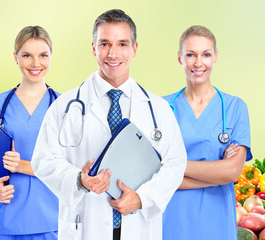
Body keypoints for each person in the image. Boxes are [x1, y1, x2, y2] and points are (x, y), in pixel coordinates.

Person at [31, 9, 186, 240]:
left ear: (134, 49)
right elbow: (42, 161)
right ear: (93, 48)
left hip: (139, 228)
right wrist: (79, 180)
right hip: (85, 227)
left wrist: (142, 198)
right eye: (104, 43)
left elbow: (175, 164)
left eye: (122, 44)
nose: (113, 53)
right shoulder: (64, 107)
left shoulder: (158, 109)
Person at [0, 26, 59, 240]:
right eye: (27, 55)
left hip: (50, 221)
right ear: (15, 57)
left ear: (51, 57)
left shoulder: (63, 107)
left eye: (43, 55)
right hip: (3, 221)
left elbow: (72, 167)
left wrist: (22, 166)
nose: (36, 63)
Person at [161, 25, 252, 239]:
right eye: (190, 54)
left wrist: (172, 165)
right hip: (172, 221)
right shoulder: (162, 108)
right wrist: (216, 174)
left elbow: (232, 172)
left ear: (216, 57)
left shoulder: (235, 107)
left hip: (216, 222)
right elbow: (153, 175)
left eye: (206, 54)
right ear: (180, 58)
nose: (198, 63)